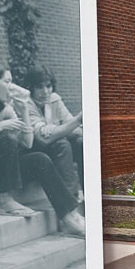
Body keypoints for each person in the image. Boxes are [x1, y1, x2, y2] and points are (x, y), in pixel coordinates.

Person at [0, 67, 86, 235]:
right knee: (7, 138)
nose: (11, 87)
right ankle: (5, 201)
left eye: (11, 81)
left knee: (40, 159)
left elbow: (27, 143)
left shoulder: (6, 109)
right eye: (6, 82)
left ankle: (68, 216)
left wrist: (24, 110)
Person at [23, 66, 85, 197]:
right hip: (31, 151)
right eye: (39, 87)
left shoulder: (54, 99)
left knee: (81, 142)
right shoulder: (26, 103)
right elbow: (43, 139)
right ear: (30, 88)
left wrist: (58, 129)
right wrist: (77, 120)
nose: (45, 92)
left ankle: (91, 193)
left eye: (48, 86)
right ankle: (70, 196)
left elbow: (74, 128)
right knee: (62, 143)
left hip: (54, 147)